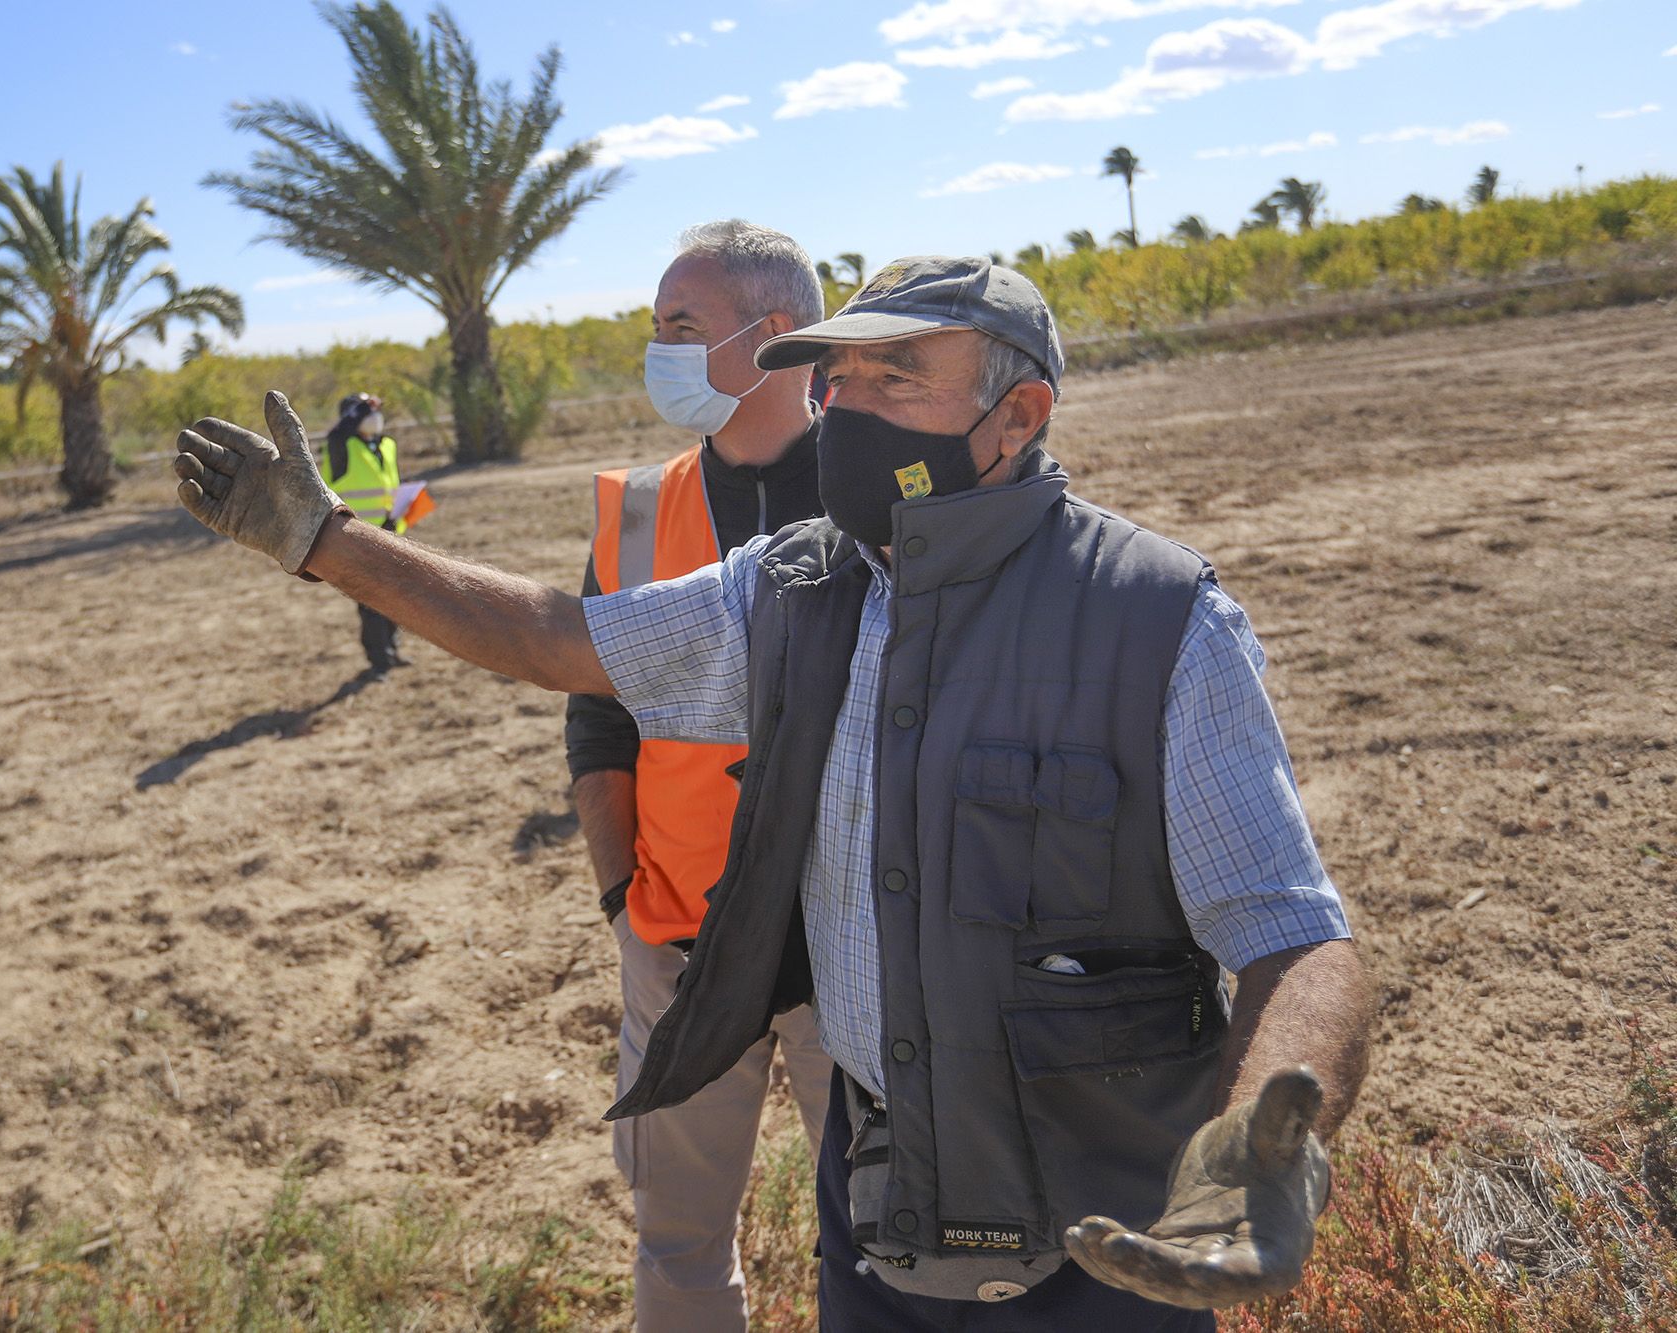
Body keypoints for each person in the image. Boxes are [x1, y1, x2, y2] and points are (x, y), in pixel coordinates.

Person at [171, 255, 1375, 1330]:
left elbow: (1292, 936)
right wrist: (326, 540)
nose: (845, 409)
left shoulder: (1155, 618)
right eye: (835, 378)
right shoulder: (792, 587)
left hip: (1099, 1249)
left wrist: (1258, 1149)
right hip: (878, 1226)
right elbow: (557, 639)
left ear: (1019, 416)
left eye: (894, 379)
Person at [567, 220, 834, 1332]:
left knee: (887, 1238)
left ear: (773, 339)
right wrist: (618, 898)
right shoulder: (635, 508)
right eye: (657, 327)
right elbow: (596, 719)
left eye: (683, 328)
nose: (659, 351)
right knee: (676, 1244)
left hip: (849, 946)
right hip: (675, 937)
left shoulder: (893, 492)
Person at [321, 392, 407, 674]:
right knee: (371, 599)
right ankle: (378, 660)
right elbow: (336, 434)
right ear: (351, 418)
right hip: (355, 534)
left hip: (390, 529)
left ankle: (392, 649)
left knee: (396, 595)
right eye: (365, 412)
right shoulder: (341, 446)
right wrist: (359, 410)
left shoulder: (387, 445)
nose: (374, 417)